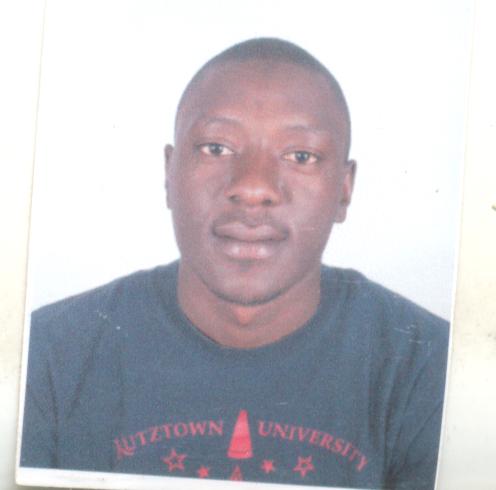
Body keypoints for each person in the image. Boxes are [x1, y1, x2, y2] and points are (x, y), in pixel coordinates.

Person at [20, 38, 448, 489]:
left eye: (300, 156)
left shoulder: (431, 368)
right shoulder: (44, 358)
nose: (253, 187)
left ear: (344, 189)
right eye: (216, 148)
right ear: (169, 173)